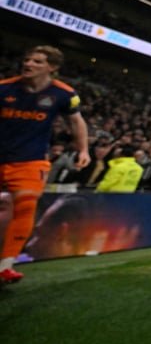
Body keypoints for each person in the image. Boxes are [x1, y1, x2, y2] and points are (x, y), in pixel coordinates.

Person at [1, 45, 91, 284]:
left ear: (52, 68)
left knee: (26, 207)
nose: (28, 64)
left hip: (30, 161)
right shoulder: (4, 88)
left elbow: (77, 122)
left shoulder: (64, 94)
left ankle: (5, 266)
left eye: (37, 62)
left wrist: (83, 149)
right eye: (27, 59)